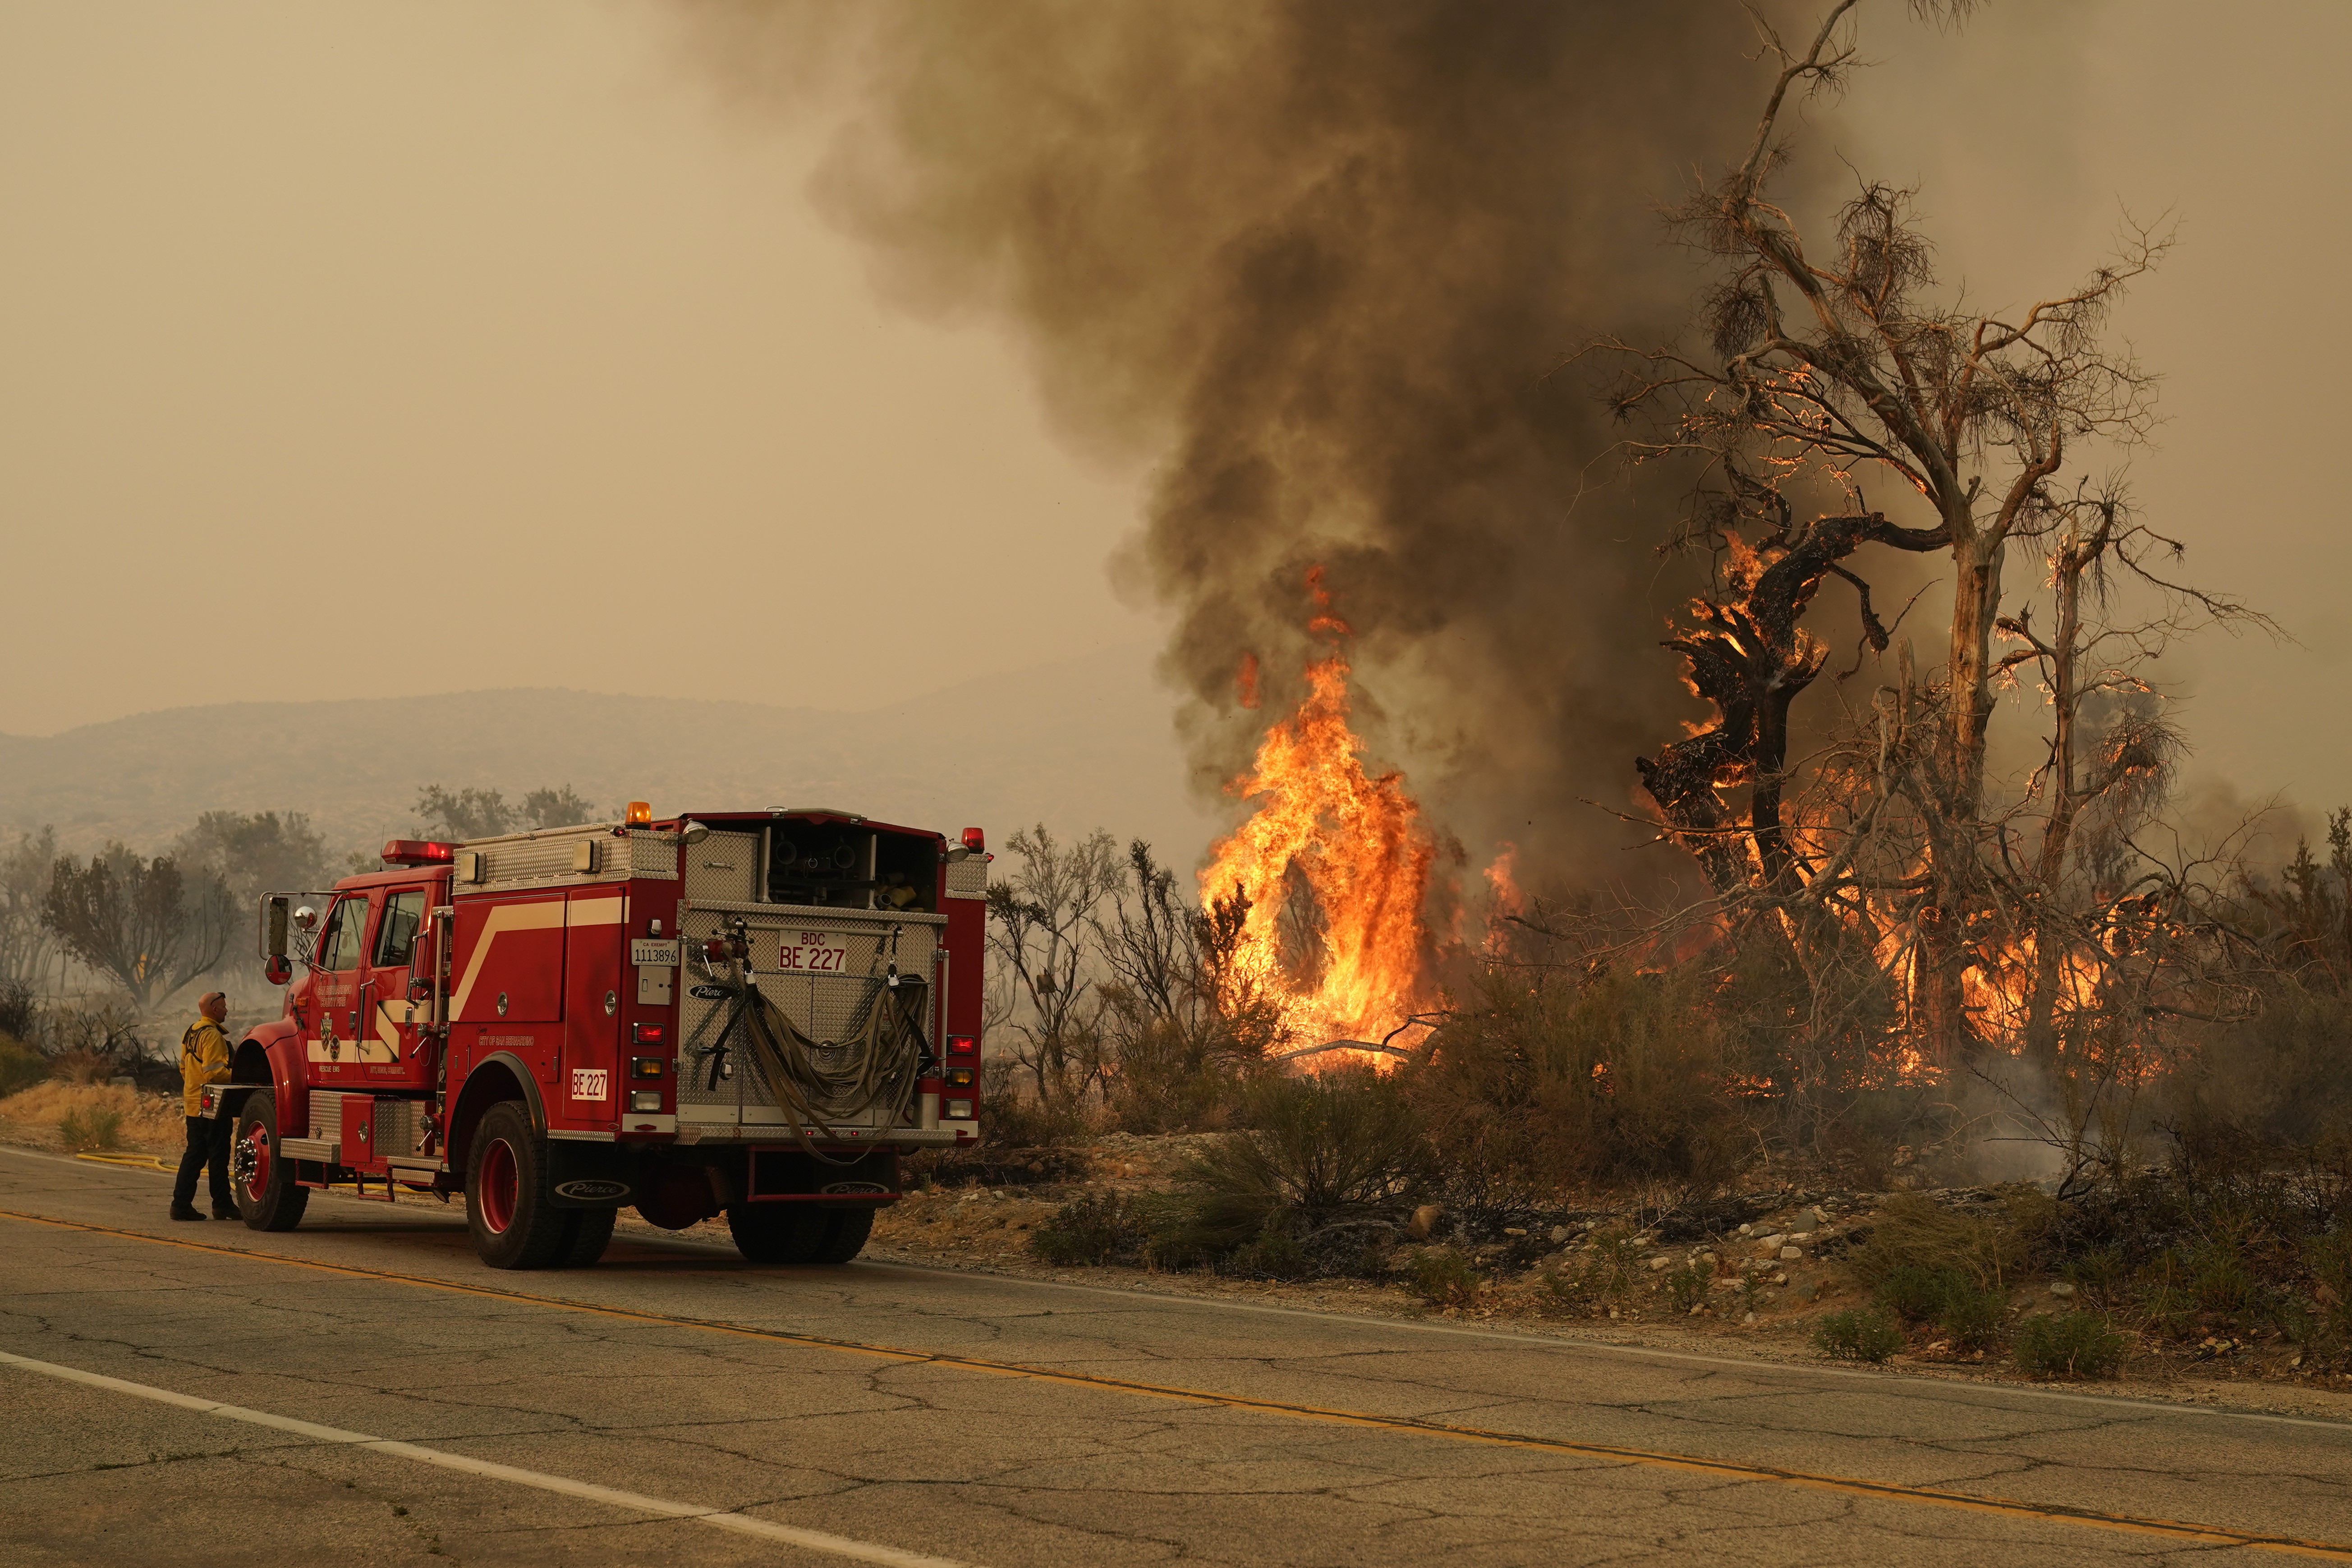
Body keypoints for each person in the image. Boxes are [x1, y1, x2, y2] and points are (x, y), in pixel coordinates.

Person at [172, 992, 236, 1221]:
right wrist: (239, 1077)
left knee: (196, 1154)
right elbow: (215, 1073)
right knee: (218, 1156)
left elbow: (183, 1069)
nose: (227, 1010)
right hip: (212, 1104)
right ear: (214, 1009)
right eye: (224, 1007)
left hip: (193, 1103)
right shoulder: (212, 1036)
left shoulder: (191, 1033)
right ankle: (222, 1205)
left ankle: (181, 1204)